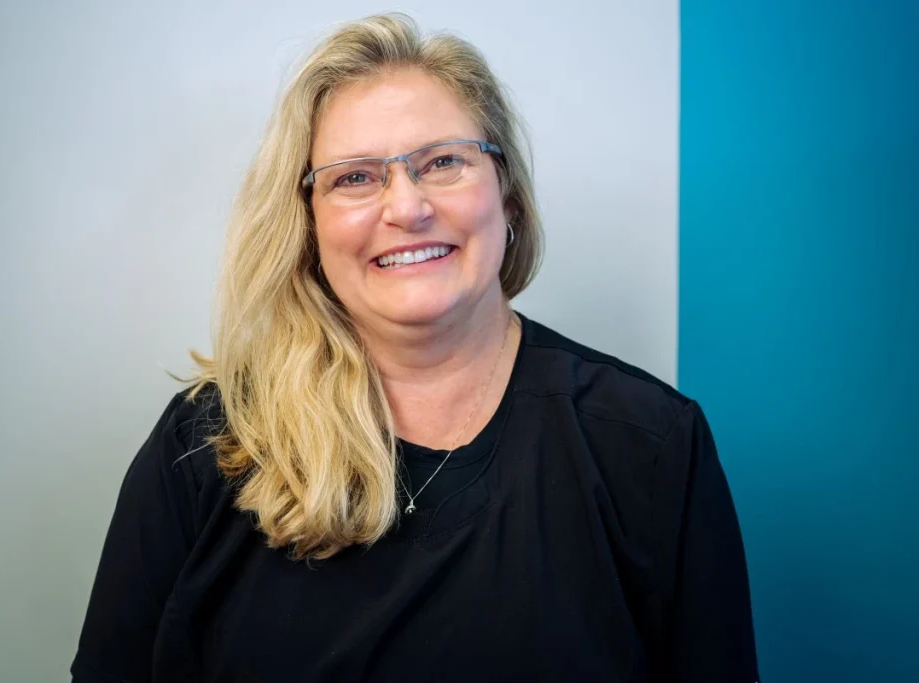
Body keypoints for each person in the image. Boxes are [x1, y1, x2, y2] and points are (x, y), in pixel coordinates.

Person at [71, 13, 758, 683]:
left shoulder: (651, 446)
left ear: (508, 194)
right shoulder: (206, 445)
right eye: (356, 177)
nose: (407, 207)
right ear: (307, 224)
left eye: (443, 162)